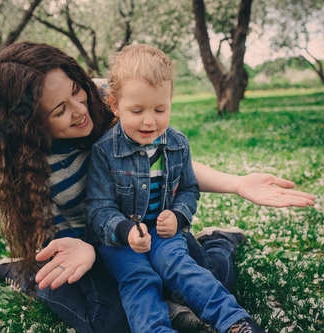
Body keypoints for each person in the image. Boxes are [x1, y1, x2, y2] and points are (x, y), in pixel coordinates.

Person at [0, 41, 314, 333]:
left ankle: (217, 241)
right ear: (30, 124)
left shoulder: (109, 97)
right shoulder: (28, 167)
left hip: (149, 230)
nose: (81, 110)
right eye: (60, 110)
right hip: (88, 246)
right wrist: (82, 245)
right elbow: (52, 234)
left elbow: (159, 166)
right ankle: (22, 275)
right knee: (110, 322)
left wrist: (237, 183)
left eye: (75, 92)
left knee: (210, 284)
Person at [85, 44, 265, 333]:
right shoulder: (105, 151)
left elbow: (189, 189)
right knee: (139, 277)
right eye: (137, 110)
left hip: (162, 230)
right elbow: (98, 207)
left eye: (160, 109)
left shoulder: (177, 144)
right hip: (119, 241)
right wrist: (125, 231)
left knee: (178, 265)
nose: (149, 120)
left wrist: (178, 216)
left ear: (170, 101)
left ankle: (233, 321)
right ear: (115, 105)